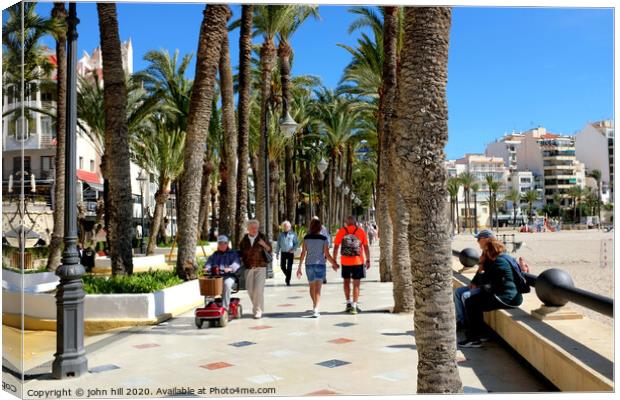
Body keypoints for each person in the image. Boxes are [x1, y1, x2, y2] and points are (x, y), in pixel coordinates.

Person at [459, 237, 524, 348]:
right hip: (506, 295)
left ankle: (474, 338)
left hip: (506, 298)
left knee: (471, 303)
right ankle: (479, 334)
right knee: (473, 301)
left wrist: (481, 268)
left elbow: (487, 280)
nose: (484, 252)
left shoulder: (499, 262)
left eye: (486, 250)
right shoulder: (502, 258)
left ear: (490, 250)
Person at [296, 219, 338, 317]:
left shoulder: (306, 238)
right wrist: (334, 263)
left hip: (309, 265)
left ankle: (315, 305)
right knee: (318, 289)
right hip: (320, 265)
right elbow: (327, 254)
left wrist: (299, 267)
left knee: (312, 287)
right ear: (320, 228)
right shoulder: (324, 239)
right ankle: (316, 308)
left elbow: (303, 253)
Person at [453, 229, 494, 328]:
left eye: (479, 239)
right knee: (458, 292)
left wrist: (479, 285)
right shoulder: (484, 253)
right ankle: (461, 322)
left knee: (466, 296)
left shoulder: (493, 253)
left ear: (486, 239)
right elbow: (479, 271)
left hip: (487, 287)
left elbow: (491, 275)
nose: (477, 241)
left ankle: (472, 326)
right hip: (480, 285)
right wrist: (474, 282)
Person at [333, 216, 370, 314]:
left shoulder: (341, 231)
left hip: (345, 261)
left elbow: (336, 247)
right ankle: (354, 306)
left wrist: (334, 261)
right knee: (356, 284)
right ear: (355, 223)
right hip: (358, 261)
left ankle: (348, 303)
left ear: (346, 223)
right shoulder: (361, 231)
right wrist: (368, 259)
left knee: (346, 282)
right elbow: (366, 247)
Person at [239, 220, 272, 319]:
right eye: (252, 228)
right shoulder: (244, 240)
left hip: (260, 267)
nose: (254, 230)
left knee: (258, 289)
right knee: (250, 290)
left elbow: (270, 249)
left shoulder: (262, 237)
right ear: (248, 229)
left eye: (256, 228)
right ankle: (257, 306)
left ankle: (258, 310)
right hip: (249, 267)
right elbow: (240, 252)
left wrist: (264, 245)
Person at [203, 235, 241, 311]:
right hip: (216, 277)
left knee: (227, 284)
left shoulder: (233, 253)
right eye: (220, 243)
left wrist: (230, 268)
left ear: (227, 244)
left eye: (224, 243)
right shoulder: (215, 254)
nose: (222, 245)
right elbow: (209, 262)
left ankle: (225, 308)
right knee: (207, 284)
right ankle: (209, 305)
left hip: (229, 276)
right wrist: (207, 267)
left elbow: (236, 263)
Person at [276, 221, 299, 286]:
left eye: (287, 226)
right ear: (283, 227)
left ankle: (287, 280)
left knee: (289, 267)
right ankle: (288, 276)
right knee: (282, 266)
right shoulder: (280, 235)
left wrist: (293, 249)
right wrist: (277, 253)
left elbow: (296, 243)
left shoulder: (293, 234)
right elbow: (278, 244)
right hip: (283, 253)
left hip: (290, 253)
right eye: (285, 226)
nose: (286, 227)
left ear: (290, 227)